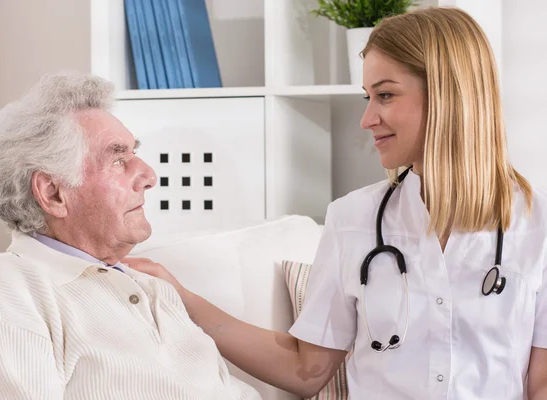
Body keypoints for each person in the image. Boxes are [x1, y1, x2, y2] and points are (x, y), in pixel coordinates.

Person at [125, 7, 547, 399]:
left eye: (385, 95)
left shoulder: (538, 225)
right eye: (368, 97)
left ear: (448, 95)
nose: (366, 119)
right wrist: (181, 296)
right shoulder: (353, 219)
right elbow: (306, 370)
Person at [0, 72, 261, 399]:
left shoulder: (154, 288)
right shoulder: (10, 286)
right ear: (53, 193)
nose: (150, 176)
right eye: (118, 159)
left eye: (134, 154)